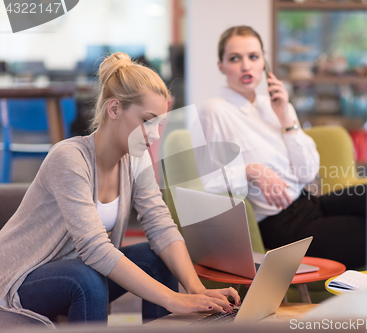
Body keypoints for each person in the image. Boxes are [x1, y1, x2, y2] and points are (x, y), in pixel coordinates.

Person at [0, 53, 239, 327]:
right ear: (114, 109)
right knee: (86, 278)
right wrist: (173, 299)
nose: (155, 134)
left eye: (159, 124)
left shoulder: (135, 158)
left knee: (155, 258)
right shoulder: (69, 158)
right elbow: (93, 248)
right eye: (147, 121)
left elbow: (160, 225)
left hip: (78, 273)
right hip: (19, 279)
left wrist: (196, 290)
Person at [193, 26, 367, 270]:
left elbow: (307, 173)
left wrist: (286, 117)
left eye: (253, 57)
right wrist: (252, 170)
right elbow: (207, 183)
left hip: (309, 204)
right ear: (221, 66)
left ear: (264, 62)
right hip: (281, 228)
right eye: (235, 58)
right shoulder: (215, 110)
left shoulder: (274, 105)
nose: (246, 66)